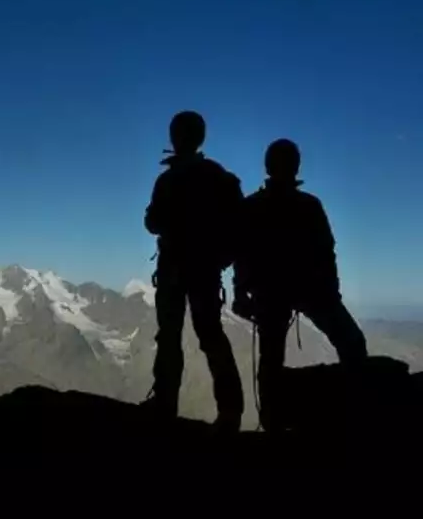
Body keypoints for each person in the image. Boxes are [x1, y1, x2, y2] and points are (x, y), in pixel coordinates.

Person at [232, 138, 369, 432]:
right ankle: (357, 412)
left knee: (270, 360)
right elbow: (326, 252)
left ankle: (272, 423)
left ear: (268, 166)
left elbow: (240, 253)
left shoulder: (251, 207)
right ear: (296, 167)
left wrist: (241, 292)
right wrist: (330, 292)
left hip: (270, 294)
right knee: (352, 343)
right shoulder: (309, 206)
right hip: (312, 291)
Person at [144, 110, 244, 432]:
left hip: (173, 269)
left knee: (169, 337)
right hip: (205, 271)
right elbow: (239, 227)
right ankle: (230, 412)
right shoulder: (220, 176)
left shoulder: (168, 179)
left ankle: (164, 407)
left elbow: (153, 222)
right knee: (212, 335)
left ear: (175, 138)